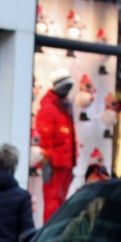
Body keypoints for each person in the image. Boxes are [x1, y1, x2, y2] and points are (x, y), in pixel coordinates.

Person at [35, 68, 77, 219]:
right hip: (55, 164)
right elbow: (44, 140)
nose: (67, 91)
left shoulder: (63, 108)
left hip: (65, 164)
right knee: (53, 202)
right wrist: (46, 164)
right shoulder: (49, 108)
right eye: (65, 87)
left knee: (60, 202)